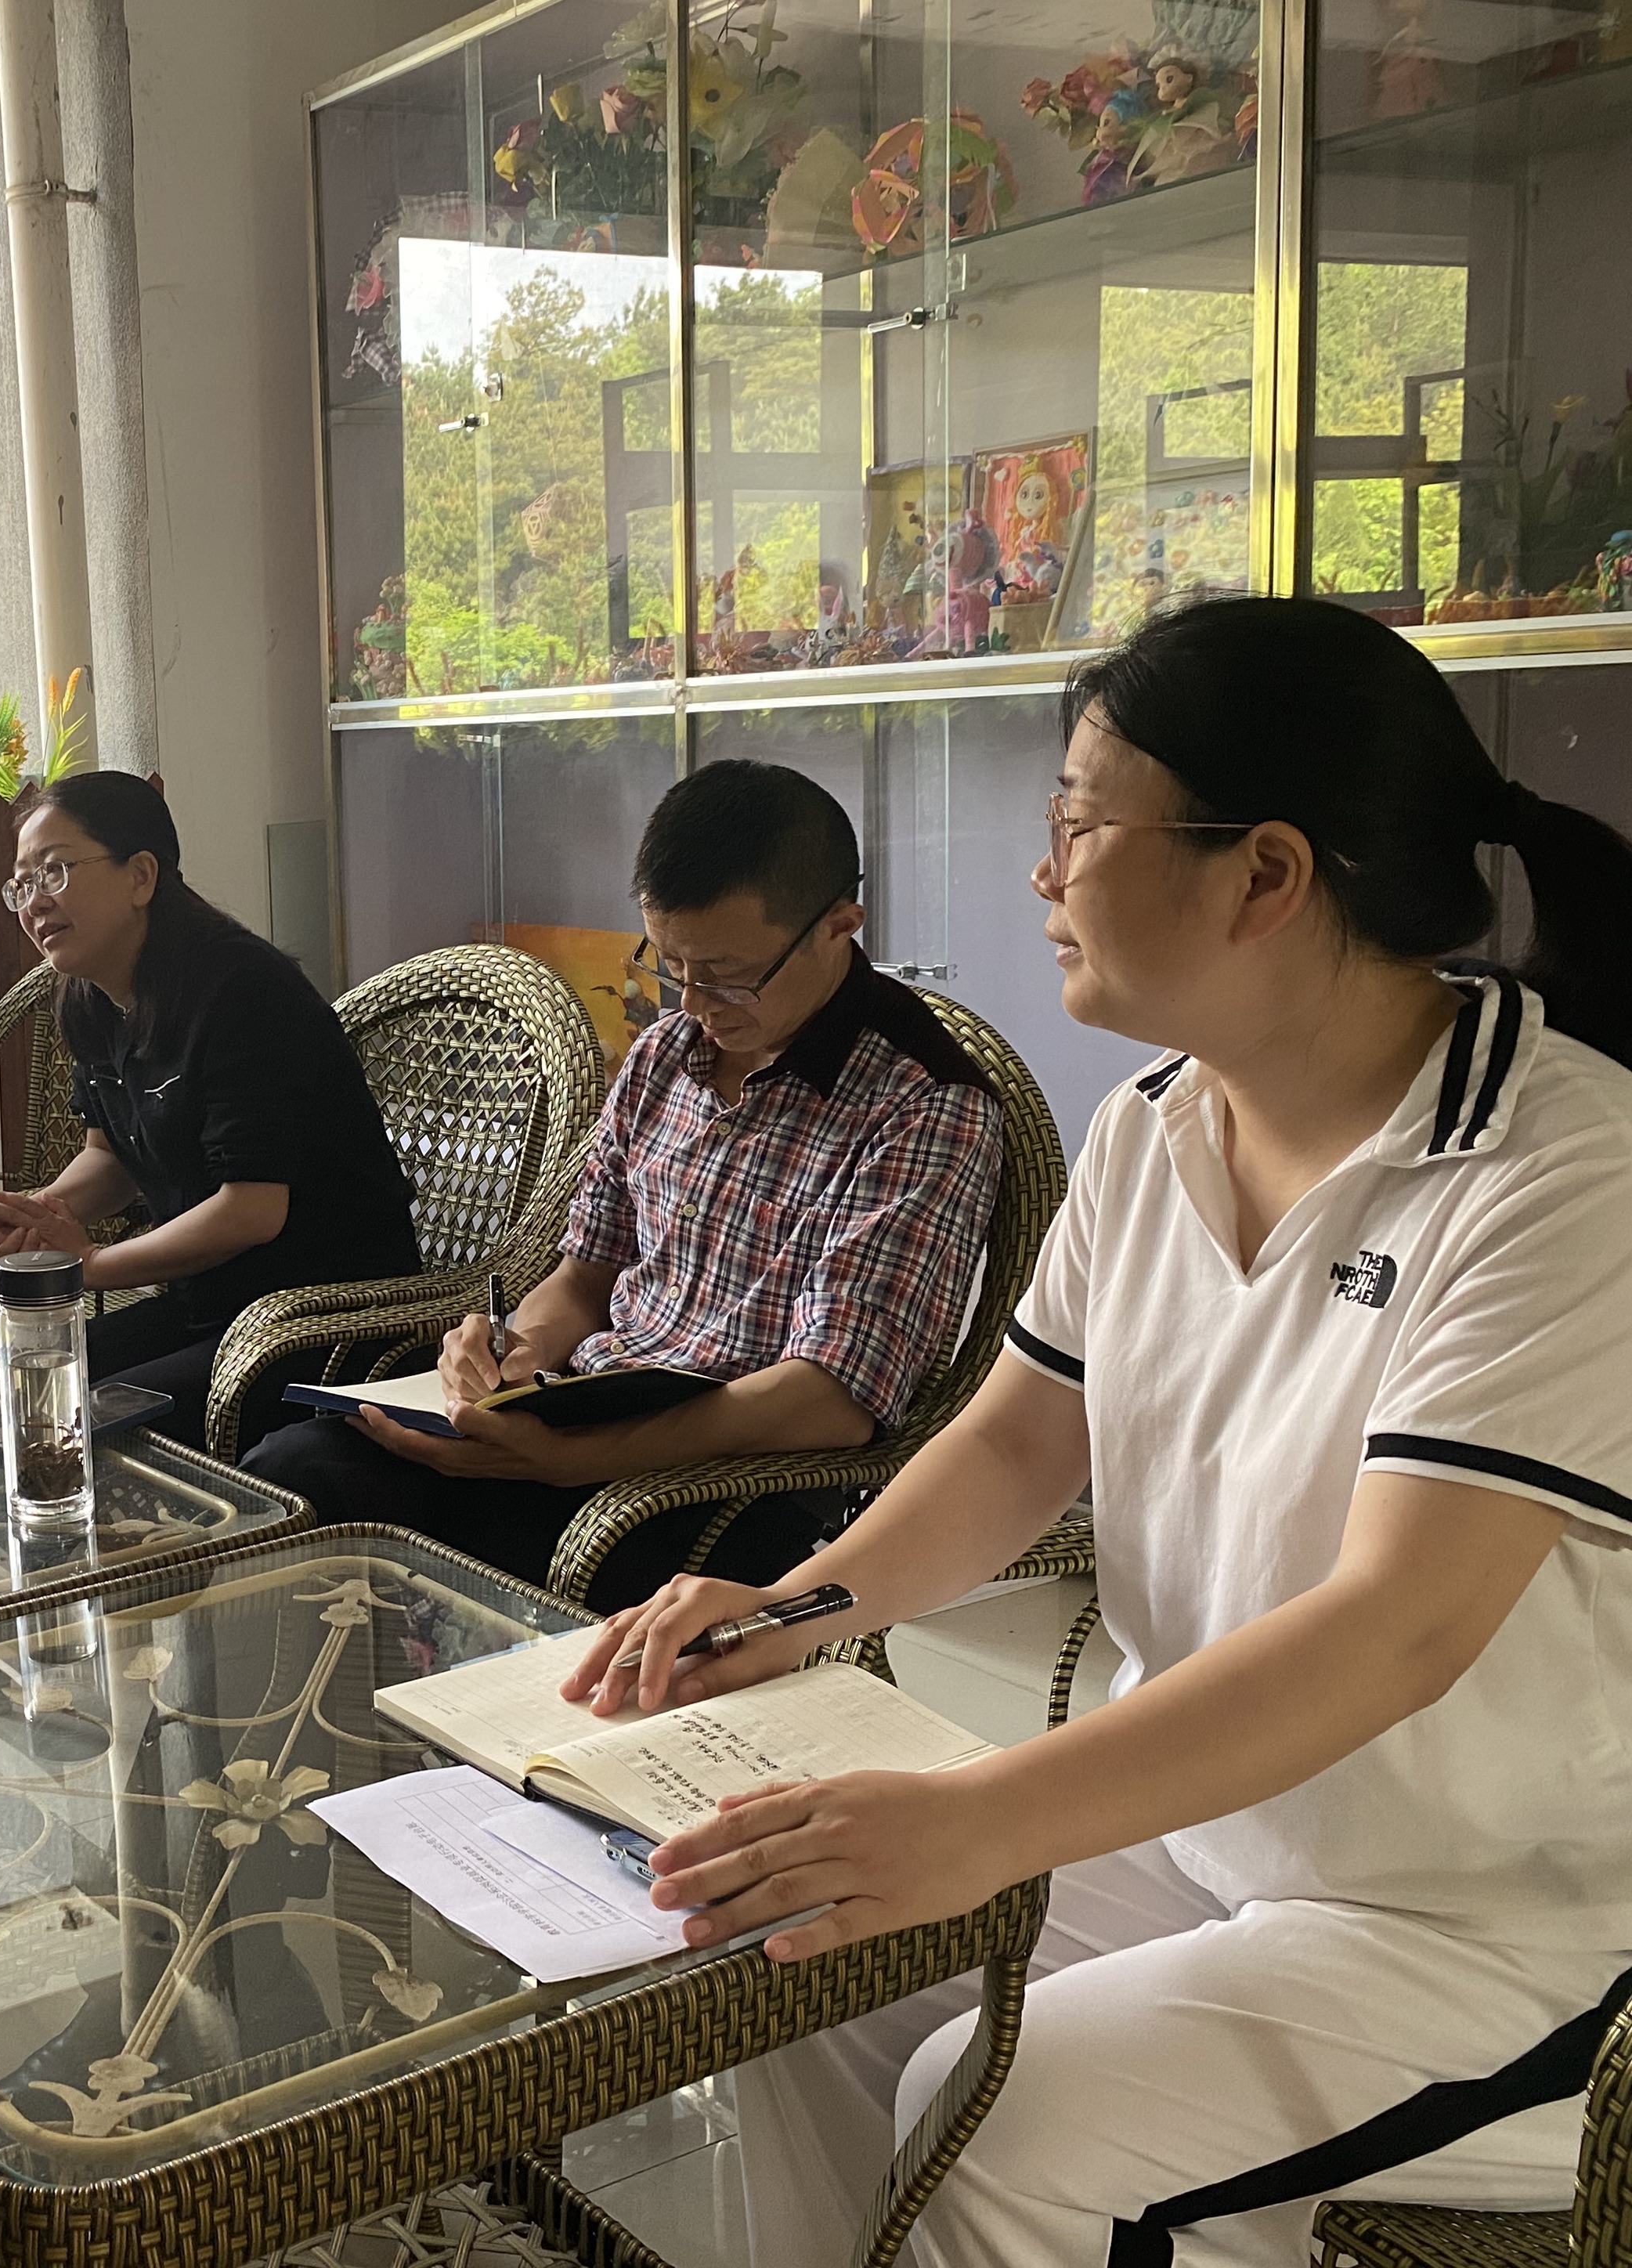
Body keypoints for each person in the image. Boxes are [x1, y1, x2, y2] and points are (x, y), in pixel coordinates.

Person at [565, 598, 1632, 2266]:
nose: (1040, 871)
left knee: (1012, 2121)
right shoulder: (1151, 1127)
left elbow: (1399, 1627)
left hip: (1491, 1926)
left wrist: (985, 1816)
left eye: (1075, 823)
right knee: (770, 1957)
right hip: (1202, 1829)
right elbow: (1014, 1446)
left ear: (1263, 876)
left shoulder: (1559, 1170)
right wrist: (793, 1607)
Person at [247, 760, 1004, 1609]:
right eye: (671, 964)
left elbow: (828, 1400)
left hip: (727, 1482)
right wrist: (515, 1351)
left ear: (839, 926)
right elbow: (583, 1280)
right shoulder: (665, 1055)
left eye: (728, 973)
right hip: (586, 1411)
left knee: (430, 1560)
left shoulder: (924, 1103)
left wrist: (575, 1460)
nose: (697, 1002)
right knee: (292, 1475)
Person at [0, 772, 420, 1448]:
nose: (35, 902)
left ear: (141, 876)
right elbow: (110, 1159)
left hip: (325, 1316)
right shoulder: (89, 999)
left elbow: (252, 1210)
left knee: (79, 1423)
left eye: (54, 871)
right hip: (209, 1305)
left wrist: (90, 1263)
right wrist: (43, 1213)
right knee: (21, 1390)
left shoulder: (243, 991)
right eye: (22, 885)